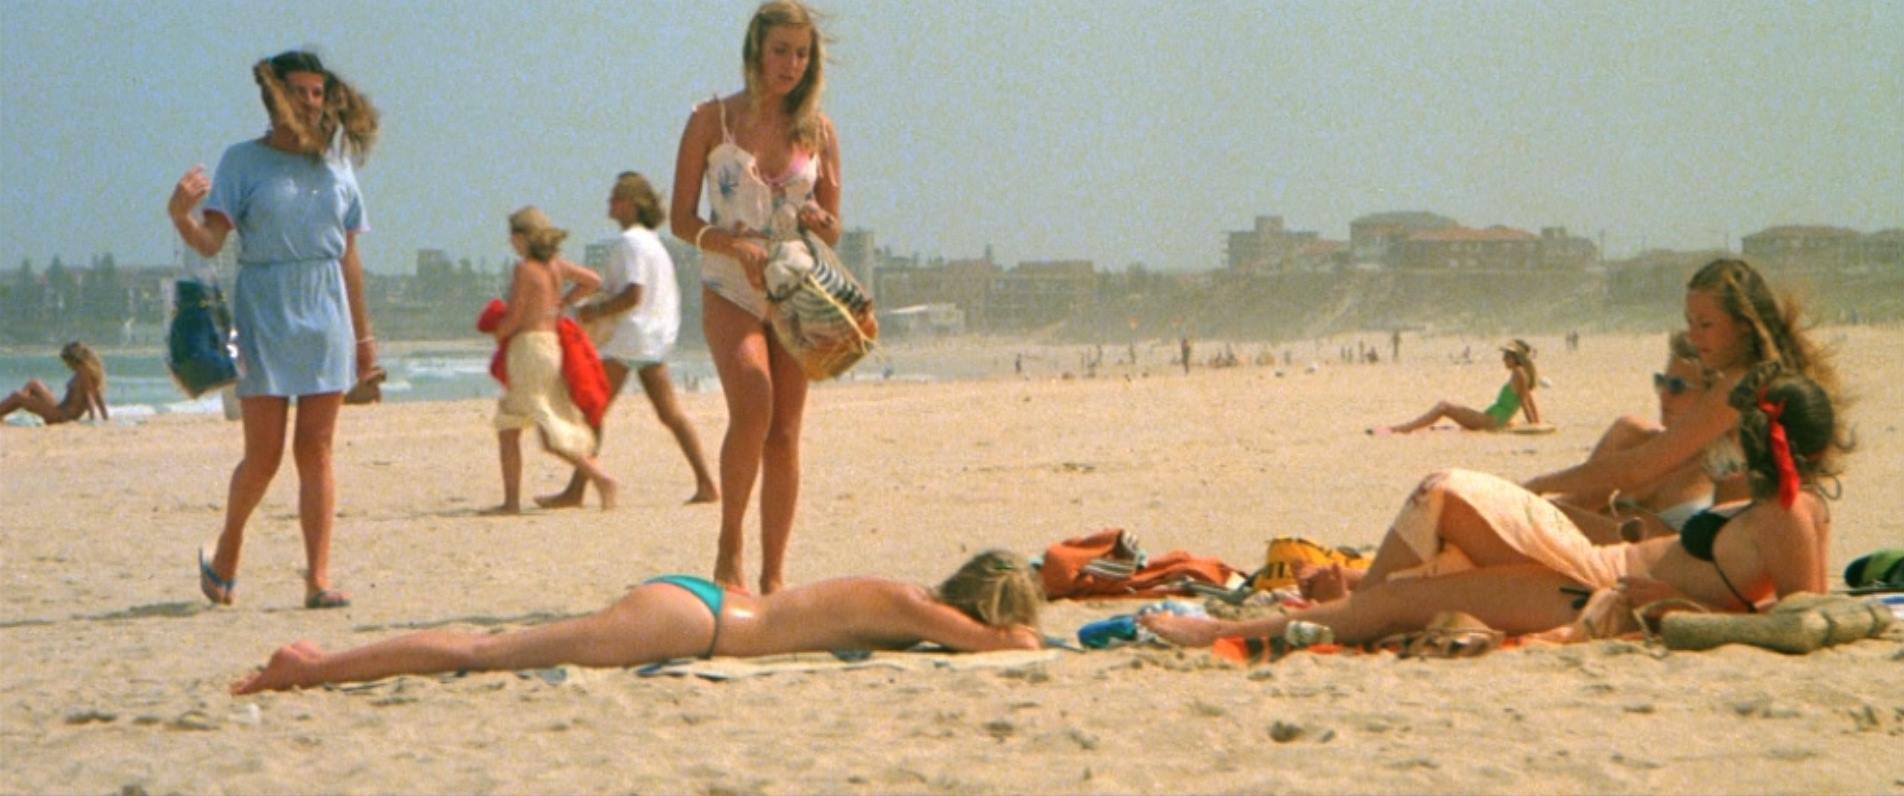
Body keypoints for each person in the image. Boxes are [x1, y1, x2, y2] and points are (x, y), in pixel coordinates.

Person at [1144, 365, 1846, 649]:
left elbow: (1801, 624)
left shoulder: (1789, 513)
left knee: (1425, 534)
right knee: (1437, 507)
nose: (1721, 442)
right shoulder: (1787, 507)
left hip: (1600, 592)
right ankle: (1339, 604)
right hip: (1594, 568)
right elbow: (1805, 611)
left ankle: (1230, 634)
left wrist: (1675, 606)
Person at [166, 51, 379, 609]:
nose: (309, 102)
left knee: (318, 449)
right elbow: (211, 243)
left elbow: (350, 256)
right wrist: (181, 216)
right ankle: (228, 551)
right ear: (275, 96)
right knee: (264, 455)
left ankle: (318, 579)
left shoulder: (337, 165)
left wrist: (364, 339)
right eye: (299, 91)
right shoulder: (242, 161)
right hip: (264, 307)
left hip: (326, 307)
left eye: (317, 93)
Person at [231, 549, 1043, 694]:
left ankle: (316, 663)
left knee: (492, 651)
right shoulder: (916, 608)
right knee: (487, 653)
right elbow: (1007, 644)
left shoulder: (908, 597)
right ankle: (313, 667)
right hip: (694, 625)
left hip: (699, 606)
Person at [670, 0, 843, 594]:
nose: (791, 64)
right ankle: (730, 547)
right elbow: (680, 219)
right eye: (781, 51)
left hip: (796, 292)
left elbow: (832, 229)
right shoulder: (710, 121)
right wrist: (730, 243)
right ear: (756, 51)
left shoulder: (818, 131)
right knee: (753, 403)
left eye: (802, 54)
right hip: (730, 286)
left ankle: (773, 577)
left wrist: (821, 221)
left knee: (786, 432)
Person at [1521, 259, 1837, 504]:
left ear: (1744, 325)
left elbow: (1637, 467)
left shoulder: (1740, 386)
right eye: (1690, 323)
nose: (1693, 337)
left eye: (1705, 324)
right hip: (1726, 536)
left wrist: (1542, 483)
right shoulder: (1761, 375)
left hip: (1728, 547)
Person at [539, 172, 719, 509]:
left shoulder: (631, 243)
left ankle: (577, 490)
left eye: (617, 198)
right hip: (654, 340)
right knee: (670, 415)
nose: (610, 203)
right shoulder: (655, 245)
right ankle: (706, 483)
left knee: (594, 411)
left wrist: (595, 311)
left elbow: (633, 294)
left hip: (628, 339)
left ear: (632, 205)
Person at [487, 207, 615, 514]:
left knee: (516, 424)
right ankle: (595, 477)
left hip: (529, 348)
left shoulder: (526, 269)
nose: (511, 242)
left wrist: (499, 331)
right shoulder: (556, 266)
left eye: (513, 236)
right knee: (540, 424)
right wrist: (564, 302)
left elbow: (516, 316)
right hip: (551, 345)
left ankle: (597, 478)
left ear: (523, 237)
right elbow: (593, 280)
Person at [1554, 332, 1715, 543]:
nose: (1664, 394)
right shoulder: (1632, 436)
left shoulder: (1730, 461)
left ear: (1713, 396)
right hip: (1585, 552)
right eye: (1661, 382)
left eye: (1677, 386)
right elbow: (1569, 507)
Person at [1372, 339, 1540, 434]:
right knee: (1447, 414)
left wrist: (1534, 425)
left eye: (1507, 356)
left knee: (1444, 406)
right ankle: (1405, 428)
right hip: (1492, 419)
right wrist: (1536, 422)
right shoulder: (1520, 373)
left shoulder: (1518, 373)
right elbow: (1528, 399)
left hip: (1491, 421)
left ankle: (1401, 429)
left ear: (1516, 358)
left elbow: (1525, 402)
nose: (1503, 359)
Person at [1, 342, 108, 425]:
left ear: (74, 360)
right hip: (61, 409)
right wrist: (105, 417)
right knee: (34, 383)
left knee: (17, 396)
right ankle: (21, 409)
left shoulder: (83, 372)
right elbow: (97, 395)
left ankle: (19, 407)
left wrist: (92, 420)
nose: (67, 365)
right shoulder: (85, 371)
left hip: (62, 416)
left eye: (67, 362)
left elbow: (90, 395)